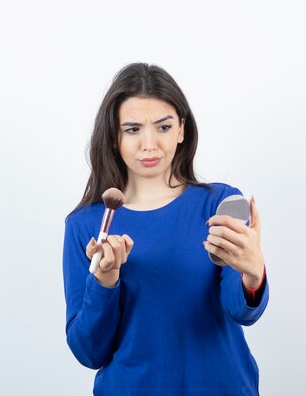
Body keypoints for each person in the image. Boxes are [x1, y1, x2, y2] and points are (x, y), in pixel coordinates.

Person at [62, 63, 268, 396]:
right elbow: (89, 351)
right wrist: (105, 280)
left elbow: (240, 310)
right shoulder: (85, 225)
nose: (149, 144)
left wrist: (252, 273)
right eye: (132, 129)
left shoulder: (221, 204)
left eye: (163, 127)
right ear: (114, 137)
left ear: (182, 130)